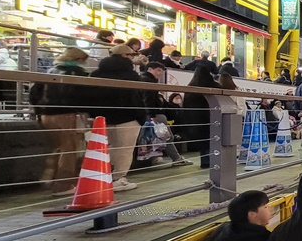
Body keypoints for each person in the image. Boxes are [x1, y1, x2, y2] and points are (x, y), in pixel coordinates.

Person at [32, 47, 90, 195]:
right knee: (69, 149)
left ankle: (48, 177)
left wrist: (39, 111)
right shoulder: (79, 74)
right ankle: (63, 185)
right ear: (79, 60)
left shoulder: (50, 71)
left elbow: (34, 93)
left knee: (54, 147)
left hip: (46, 114)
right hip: (67, 114)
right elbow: (83, 96)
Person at [89, 44, 145, 191]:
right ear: (124, 56)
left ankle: (106, 176)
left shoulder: (96, 74)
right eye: (131, 55)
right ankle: (118, 178)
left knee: (109, 147)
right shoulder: (131, 75)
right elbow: (137, 97)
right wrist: (141, 116)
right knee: (125, 149)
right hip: (128, 117)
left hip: (103, 118)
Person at [140, 61, 191, 165]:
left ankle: (167, 158)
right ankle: (176, 158)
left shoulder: (147, 81)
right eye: (158, 70)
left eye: (161, 71)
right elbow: (148, 100)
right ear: (150, 69)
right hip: (155, 114)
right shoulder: (149, 82)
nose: (160, 73)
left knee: (160, 137)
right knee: (166, 137)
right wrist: (151, 115)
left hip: (151, 114)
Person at [183, 65, 222, 168]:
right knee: (214, 138)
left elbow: (185, 105)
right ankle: (215, 160)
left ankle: (205, 161)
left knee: (203, 141)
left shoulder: (189, 88)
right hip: (212, 116)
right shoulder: (214, 86)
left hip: (195, 118)